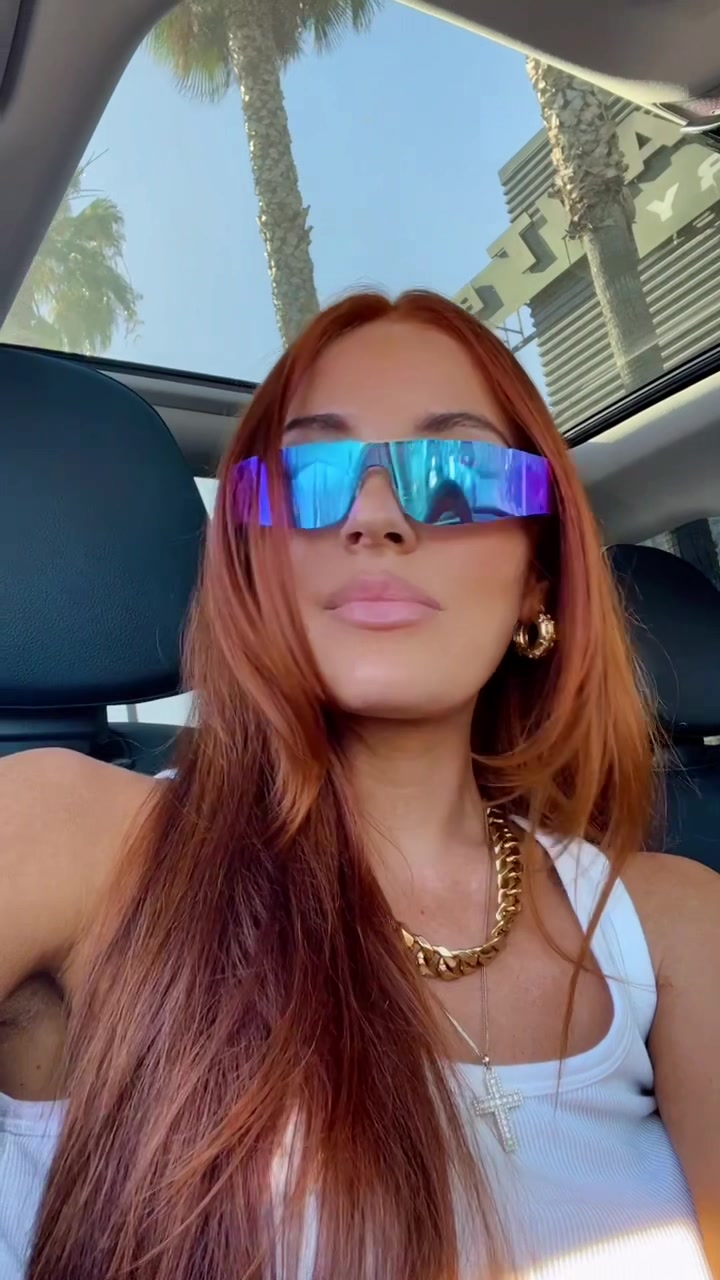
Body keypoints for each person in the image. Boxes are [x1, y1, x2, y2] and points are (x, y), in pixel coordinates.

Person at [0, 290, 717, 1280]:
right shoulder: (70, 835)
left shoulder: (673, 923)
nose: (376, 515)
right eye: (312, 479)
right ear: (256, 565)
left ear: (537, 579)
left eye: (456, 475)